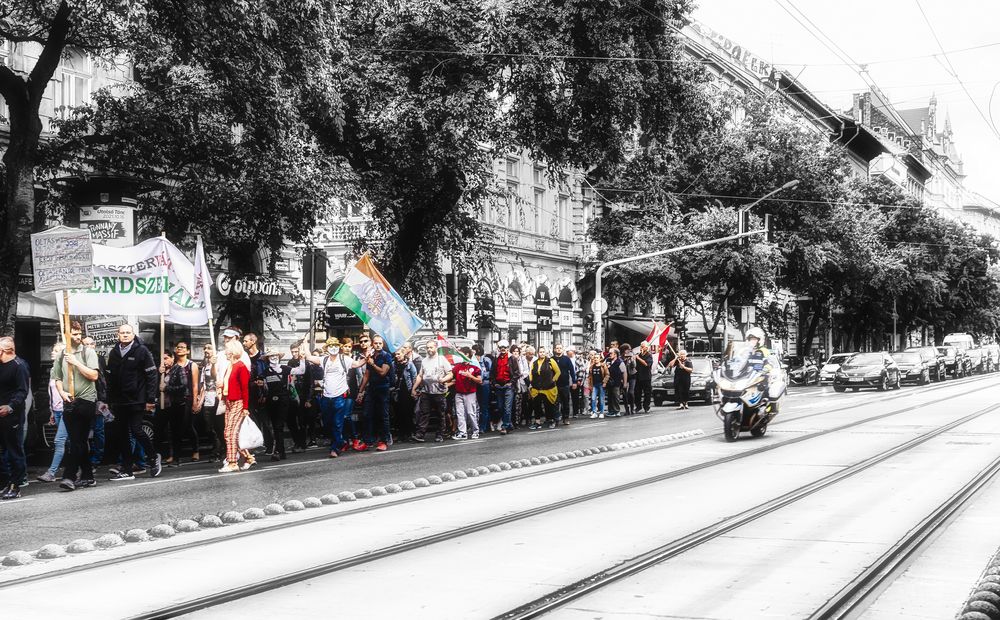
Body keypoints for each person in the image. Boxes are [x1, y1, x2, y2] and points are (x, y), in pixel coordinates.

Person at [106, 324, 162, 480]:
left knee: (136, 430)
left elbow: (152, 376)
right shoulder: (114, 352)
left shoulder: (142, 351)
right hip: (119, 401)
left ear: (133, 334)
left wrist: (151, 399)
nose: (125, 335)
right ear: (118, 335)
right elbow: (110, 377)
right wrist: (109, 399)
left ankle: (152, 457)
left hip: (137, 399)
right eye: (122, 333)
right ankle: (127, 469)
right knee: (122, 434)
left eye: (128, 333)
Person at [53, 322, 101, 490]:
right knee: (77, 441)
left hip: (86, 400)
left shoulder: (88, 352)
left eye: (79, 333)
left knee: (77, 440)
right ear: (66, 335)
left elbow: (94, 375)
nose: (77, 337)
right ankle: (88, 476)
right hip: (69, 401)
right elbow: (57, 377)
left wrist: (76, 362)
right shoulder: (61, 355)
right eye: (73, 334)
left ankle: (69, 476)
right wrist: (62, 393)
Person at [304, 338, 364, 457]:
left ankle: (335, 449)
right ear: (327, 348)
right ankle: (340, 441)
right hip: (326, 397)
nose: (333, 348)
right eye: (331, 346)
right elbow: (309, 357)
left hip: (339, 397)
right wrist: (305, 343)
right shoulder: (324, 359)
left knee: (337, 423)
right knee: (328, 423)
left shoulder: (344, 359)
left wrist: (367, 357)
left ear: (339, 347)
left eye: (336, 345)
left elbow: (357, 364)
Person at [0, 336, 30, 499]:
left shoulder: (20, 366)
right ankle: (5, 482)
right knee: (3, 451)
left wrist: (10, 407)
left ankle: (15, 485)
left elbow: (22, 391)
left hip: (12, 415)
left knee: (13, 450)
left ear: (3, 350)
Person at [219, 339, 254, 472]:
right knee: (231, 433)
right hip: (229, 401)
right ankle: (248, 458)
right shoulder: (230, 366)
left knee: (230, 432)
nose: (225, 352)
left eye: (227, 349)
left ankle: (232, 462)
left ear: (233, 351)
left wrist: (245, 407)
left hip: (238, 401)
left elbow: (245, 389)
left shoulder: (241, 366)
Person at [163, 342, 201, 465]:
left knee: (187, 425)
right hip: (175, 399)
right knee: (174, 428)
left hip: (188, 398)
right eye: (178, 347)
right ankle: (174, 455)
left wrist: (195, 401)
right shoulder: (173, 366)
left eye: (183, 347)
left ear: (188, 351)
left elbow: (195, 385)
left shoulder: (191, 365)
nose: (179, 349)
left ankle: (195, 450)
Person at [410, 339, 453, 442]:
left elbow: (450, 374)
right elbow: (420, 375)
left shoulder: (442, 359)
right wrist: (414, 388)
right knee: (424, 413)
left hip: (439, 392)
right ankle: (420, 435)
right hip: (426, 392)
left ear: (436, 347)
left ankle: (440, 434)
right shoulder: (424, 360)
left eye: (431, 347)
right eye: (427, 347)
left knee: (440, 414)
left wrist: (443, 379)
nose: (429, 349)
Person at [36, 343, 67, 483]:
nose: (52, 353)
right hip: (57, 411)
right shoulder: (53, 369)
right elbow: (51, 392)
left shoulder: (67, 370)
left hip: (66, 410)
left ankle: (51, 472)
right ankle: (81, 468)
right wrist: (51, 411)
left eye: (56, 351)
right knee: (71, 441)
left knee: (59, 441)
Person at [262, 348, 292, 460]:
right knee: (275, 427)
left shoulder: (285, 368)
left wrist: (303, 358)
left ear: (279, 357)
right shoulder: (265, 372)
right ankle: (282, 452)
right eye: (271, 356)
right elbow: (262, 385)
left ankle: (278, 451)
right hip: (271, 401)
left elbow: (301, 370)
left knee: (279, 426)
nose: (274, 358)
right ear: (268, 359)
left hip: (283, 400)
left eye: (276, 355)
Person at [200, 343, 224, 461]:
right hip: (207, 400)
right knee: (208, 427)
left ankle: (217, 452)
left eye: (209, 348)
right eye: (205, 348)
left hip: (216, 398)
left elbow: (216, 377)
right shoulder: (204, 366)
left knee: (217, 427)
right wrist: (199, 401)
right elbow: (203, 385)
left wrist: (214, 364)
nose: (206, 350)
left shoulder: (218, 364)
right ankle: (220, 448)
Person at [451, 346, 482, 439]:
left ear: (467, 354)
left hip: (470, 393)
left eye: (461, 354)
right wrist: (443, 381)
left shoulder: (474, 366)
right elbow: (452, 376)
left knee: (470, 412)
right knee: (460, 413)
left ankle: (475, 431)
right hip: (459, 393)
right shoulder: (458, 366)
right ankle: (462, 432)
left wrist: (470, 376)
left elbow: (480, 381)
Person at [489, 340, 518, 436]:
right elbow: (492, 373)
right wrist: (494, 383)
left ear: (507, 348)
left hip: (508, 386)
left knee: (507, 407)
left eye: (505, 347)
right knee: (500, 407)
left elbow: (517, 373)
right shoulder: (495, 359)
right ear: (498, 348)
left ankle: (504, 426)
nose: (503, 349)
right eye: (501, 347)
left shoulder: (512, 358)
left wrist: (511, 383)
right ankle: (509, 424)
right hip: (499, 386)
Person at [528, 345, 561, 429]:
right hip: (537, 388)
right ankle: (537, 422)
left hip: (548, 388)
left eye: (543, 352)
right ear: (538, 353)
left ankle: (551, 421)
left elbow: (558, 372)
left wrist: (553, 380)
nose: (542, 353)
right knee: (537, 405)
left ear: (546, 353)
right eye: (540, 352)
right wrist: (531, 381)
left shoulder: (550, 361)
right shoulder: (535, 362)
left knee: (548, 405)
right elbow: (531, 373)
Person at [391, 345, 418, 441]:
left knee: (408, 412)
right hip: (397, 391)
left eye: (399, 354)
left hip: (407, 391)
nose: (397, 356)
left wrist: (414, 390)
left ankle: (410, 433)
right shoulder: (393, 364)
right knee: (398, 413)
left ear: (403, 354)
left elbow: (414, 377)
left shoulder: (409, 364)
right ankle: (401, 434)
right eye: (396, 354)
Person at [553, 343, 576, 426]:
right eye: (557, 348)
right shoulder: (552, 359)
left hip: (565, 384)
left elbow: (572, 371)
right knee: (555, 403)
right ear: (555, 349)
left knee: (565, 402)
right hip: (555, 385)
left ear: (562, 349)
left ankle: (566, 418)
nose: (558, 349)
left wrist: (574, 382)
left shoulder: (566, 359)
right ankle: (556, 419)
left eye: (560, 348)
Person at [472, 344, 492, 434]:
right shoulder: (472, 360)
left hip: (485, 385)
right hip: (475, 384)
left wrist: (484, 376)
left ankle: (483, 426)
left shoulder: (486, 360)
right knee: (476, 406)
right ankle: (477, 426)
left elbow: (491, 372)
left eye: (473, 351)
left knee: (484, 406)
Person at [633, 341, 654, 414]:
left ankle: (646, 406)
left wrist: (638, 358)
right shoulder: (639, 355)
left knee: (647, 393)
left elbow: (646, 364)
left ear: (646, 348)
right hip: (638, 376)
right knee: (637, 392)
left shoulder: (649, 355)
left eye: (642, 346)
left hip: (646, 377)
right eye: (640, 346)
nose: (641, 348)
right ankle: (638, 406)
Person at [606, 347, 627, 417]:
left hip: (616, 382)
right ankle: (611, 411)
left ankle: (617, 411)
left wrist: (624, 383)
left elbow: (624, 372)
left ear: (615, 354)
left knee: (616, 396)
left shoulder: (620, 362)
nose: (609, 354)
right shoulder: (608, 360)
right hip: (609, 382)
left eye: (611, 353)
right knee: (610, 396)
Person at [587, 351, 608, 419]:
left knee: (601, 399)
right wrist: (590, 385)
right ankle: (594, 412)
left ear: (600, 359)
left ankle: (601, 412)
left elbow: (607, 374)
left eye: (597, 358)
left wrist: (604, 382)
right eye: (595, 358)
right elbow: (590, 376)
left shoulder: (603, 366)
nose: (595, 359)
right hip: (594, 385)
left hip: (601, 384)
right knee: (593, 399)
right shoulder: (591, 367)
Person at [620, 343, 636, 416]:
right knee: (624, 393)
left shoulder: (632, 356)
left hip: (632, 375)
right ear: (624, 350)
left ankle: (632, 408)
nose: (629, 351)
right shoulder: (620, 358)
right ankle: (627, 409)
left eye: (630, 350)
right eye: (627, 350)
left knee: (631, 392)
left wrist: (632, 360)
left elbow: (634, 366)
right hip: (623, 376)